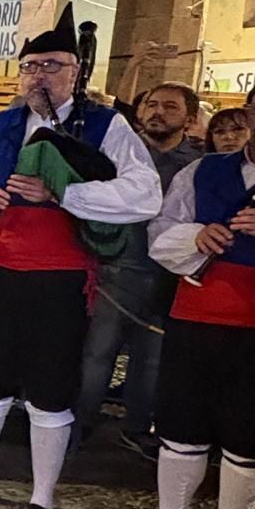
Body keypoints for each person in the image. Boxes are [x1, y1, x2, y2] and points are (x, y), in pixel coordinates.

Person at [0, 6, 162, 509]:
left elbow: (144, 192)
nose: (40, 75)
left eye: (52, 65)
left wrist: (66, 194)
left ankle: (42, 501)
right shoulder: (3, 124)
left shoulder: (108, 125)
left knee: (50, 392)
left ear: (75, 71)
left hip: (60, 278)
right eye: (31, 65)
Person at [127, 78, 255, 509]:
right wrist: (196, 236)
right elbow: (161, 230)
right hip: (196, 316)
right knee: (181, 429)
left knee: (246, 438)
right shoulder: (203, 170)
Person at [74, 81, 205, 451]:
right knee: (98, 353)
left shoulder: (197, 166)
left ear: (190, 119)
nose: (157, 112)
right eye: (151, 104)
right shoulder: (117, 156)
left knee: (150, 361)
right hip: (116, 268)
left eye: (170, 106)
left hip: (167, 276)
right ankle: (81, 422)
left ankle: (135, 428)